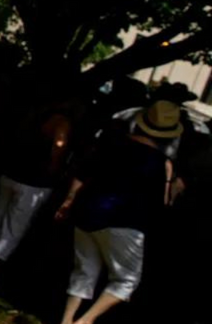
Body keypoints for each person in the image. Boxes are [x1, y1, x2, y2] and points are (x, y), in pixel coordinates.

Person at [55, 100, 182, 324]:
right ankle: (85, 321)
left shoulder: (113, 145)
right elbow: (161, 203)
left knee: (85, 270)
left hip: (88, 212)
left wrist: (68, 201)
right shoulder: (162, 163)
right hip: (126, 222)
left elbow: (83, 174)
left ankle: (67, 320)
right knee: (126, 280)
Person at [0, 106, 72, 285]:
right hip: (33, 182)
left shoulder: (34, 114)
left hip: (13, 172)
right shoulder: (62, 122)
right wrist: (55, 168)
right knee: (14, 227)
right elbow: (59, 146)